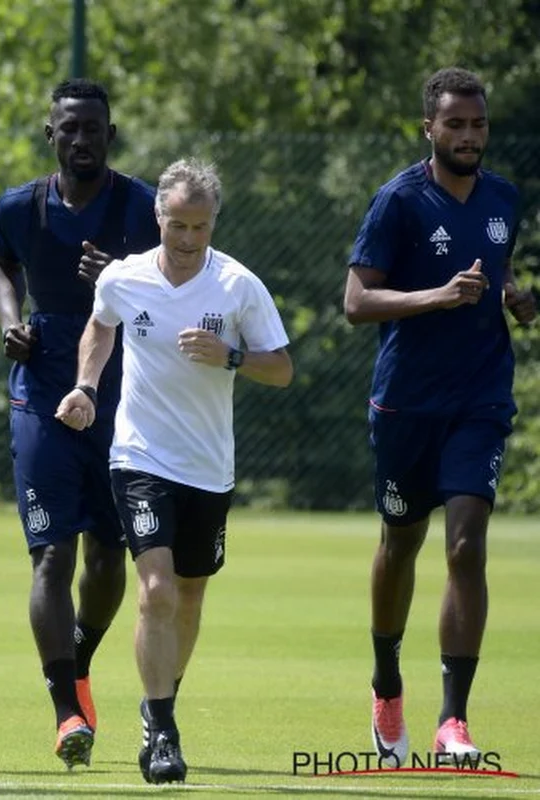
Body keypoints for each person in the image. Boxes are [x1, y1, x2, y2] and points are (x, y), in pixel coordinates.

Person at [56, 158, 293, 783]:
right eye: (176, 225)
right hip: (139, 456)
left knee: (188, 595)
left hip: (208, 467)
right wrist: (85, 386)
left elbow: (283, 368)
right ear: (157, 218)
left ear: (214, 222)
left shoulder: (238, 286)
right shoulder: (125, 278)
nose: (188, 240)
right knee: (156, 588)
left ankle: (156, 699)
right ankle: (162, 730)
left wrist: (231, 355)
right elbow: (100, 328)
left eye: (200, 226)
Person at [344, 67, 536, 763]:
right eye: (454, 124)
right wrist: (436, 297)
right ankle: (387, 684)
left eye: (478, 124)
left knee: (465, 544)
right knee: (400, 545)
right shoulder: (398, 201)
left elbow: (492, 268)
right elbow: (357, 302)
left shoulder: (505, 199)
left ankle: (453, 719)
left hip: (480, 398)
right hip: (405, 404)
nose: (468, 136)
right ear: (429, 127)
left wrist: (513, 296)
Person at [0, 77, 160, 769]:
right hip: (42, 383)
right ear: (49, 133)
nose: (82, 138)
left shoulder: (144, 207)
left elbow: (177, 285)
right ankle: (66, 709)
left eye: (94, 127)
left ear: (110, 135)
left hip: (125, 390)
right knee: (51, 552)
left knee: (107, 553)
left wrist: (123, 278)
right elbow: (3, 267)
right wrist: (10, 322)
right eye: (70, 127)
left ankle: (79, 657)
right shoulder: (18, 207)